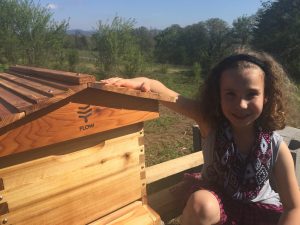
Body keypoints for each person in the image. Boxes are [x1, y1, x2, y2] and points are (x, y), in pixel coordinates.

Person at [100, 50, 300, 225]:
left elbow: (293, 207)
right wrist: (146, 82)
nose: (241, 104)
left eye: (251, 94)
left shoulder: (275, 145)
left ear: (266, 97)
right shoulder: (211, 124)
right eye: (230, 94)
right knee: (200, 205)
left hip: (260, 210)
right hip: (217, 203)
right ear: (218, 95)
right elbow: (172, 96)